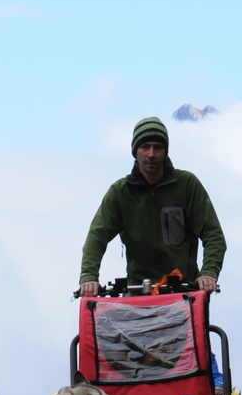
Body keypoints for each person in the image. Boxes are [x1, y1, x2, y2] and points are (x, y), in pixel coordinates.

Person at [79, 117, 226, 297]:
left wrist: (208, 274)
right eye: (145, 147)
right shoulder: (120, 192)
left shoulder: (187, 185)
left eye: (158, 147)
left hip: (184, 292)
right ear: (135, 151)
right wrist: (88, 276)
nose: (151, 153)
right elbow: (97, 236)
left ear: (165, 152)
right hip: (138, 293)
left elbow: (213, 234)